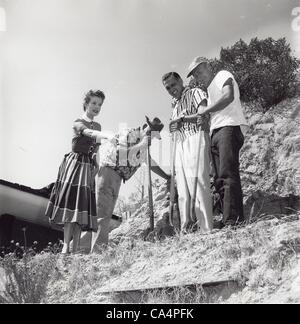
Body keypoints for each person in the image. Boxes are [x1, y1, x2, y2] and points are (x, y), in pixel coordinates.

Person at [80, 118, 170, 253]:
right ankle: (97, 253)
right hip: (108, 172)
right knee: (102, 215)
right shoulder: (129, 133)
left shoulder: (143, 147)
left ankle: (79, 249)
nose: (151, 137)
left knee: (104, 216)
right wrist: (143, 143)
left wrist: (168, 177)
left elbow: (152, 164)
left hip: (118, 178)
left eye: (154, 136)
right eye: (150, 132)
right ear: (145, 127)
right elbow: (122, 154)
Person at [45, 90, 114, 254]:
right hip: (75, 164)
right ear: (86, 103)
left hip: (88, 167)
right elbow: (87, 132)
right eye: (94, 103)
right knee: (71, 205)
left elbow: (96, 148)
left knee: (81, 207)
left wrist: (96, 165)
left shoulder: (98, 126)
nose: (97, 107)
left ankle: (75, 248)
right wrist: (106, 135)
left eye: (100, 104)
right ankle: (65, 247)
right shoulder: (78, 121)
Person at [187, 57, 248, 227]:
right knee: (219, 178)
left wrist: (206, 110)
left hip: (229, 127)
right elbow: (206, 113)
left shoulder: (222, 75)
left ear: (209, 66)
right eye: (195, 75)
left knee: (228, 174)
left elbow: (229, 96)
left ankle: (233, 221)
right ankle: (228, 217)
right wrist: (186, 119)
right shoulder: (209, 91)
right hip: (217, 131)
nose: (198, 76)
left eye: (200, 71)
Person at [162, 72, 213, 234]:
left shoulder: (195, 92)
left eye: (173, 85)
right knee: (183, 188)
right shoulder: (174, 104)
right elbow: (175, 124)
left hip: (195, 137)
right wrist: (173, 127)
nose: (171, 89)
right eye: (167, 88)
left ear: (180, 81)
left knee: (198, 183)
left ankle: (206, 228)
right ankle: (187, 228)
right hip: (180, 142)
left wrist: (182, 120)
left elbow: (203, 114)